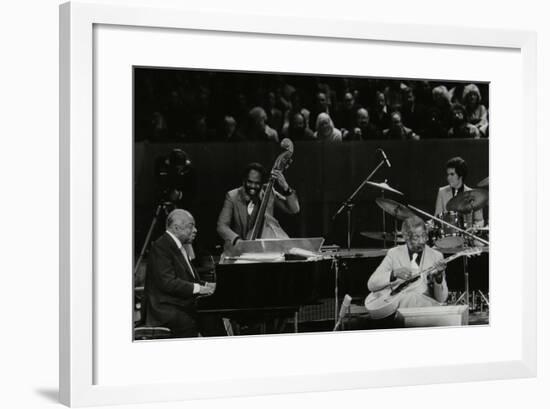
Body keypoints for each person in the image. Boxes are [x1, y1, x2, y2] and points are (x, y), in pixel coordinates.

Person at [143, 209, 217, 338]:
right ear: (176, 228)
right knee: (193, 322)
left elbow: (189, 279)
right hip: (164, 309)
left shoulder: (179, 247)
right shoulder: (161, 246)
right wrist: (200, 288)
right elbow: (168, 283)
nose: (195, 230)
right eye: (191, 226)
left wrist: (209, 285)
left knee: (212, 316)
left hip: (178, 304)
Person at [367, 216, 448, 310]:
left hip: (425, 309)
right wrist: (394, 274)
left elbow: (442, 299)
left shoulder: (436, 256)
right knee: (408, 298)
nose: (422, 241)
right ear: (406, 237)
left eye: (424, 235)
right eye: (416, 237)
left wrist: (438, 278)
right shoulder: (394, 254)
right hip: (397, 308)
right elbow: (371, 284)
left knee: (411, 297)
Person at [217, 162, 300, 247]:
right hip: (239, 249)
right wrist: (237, 240)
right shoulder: (232, 196)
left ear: (262, 183)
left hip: (263, 248)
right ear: (244, 181)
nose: (253, 186)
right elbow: (222, 226)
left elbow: (294, 209)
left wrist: (286, 187)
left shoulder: (268, 192)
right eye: (250, 182)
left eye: (257, 183)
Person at [434, 157, 484, 226]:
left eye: (452, 174)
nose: (448, 178)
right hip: (448, 235)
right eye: (448, 174)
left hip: (467, 235)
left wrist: (474, 228)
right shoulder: (442, 192)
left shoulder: (473, 194)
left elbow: (480, 220)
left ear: (460, 175)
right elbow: (437, 218)